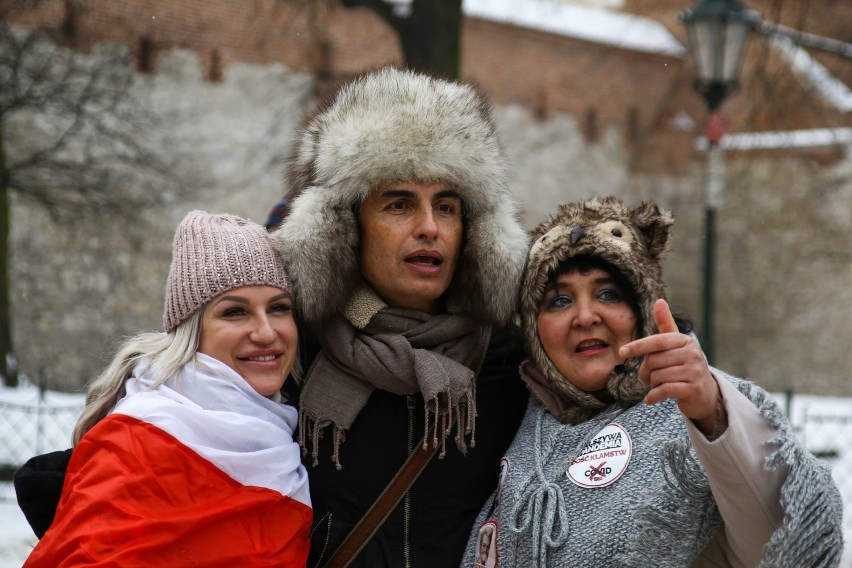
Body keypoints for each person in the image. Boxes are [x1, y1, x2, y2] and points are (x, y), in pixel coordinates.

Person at [462, 196, 844, 567]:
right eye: (559, 301)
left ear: (643, 306)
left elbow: (783, 534)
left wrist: (711, 414)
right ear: (533, 331)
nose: (585, 316)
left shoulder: (695, 413)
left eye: (608, 294)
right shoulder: (512, 422)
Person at [268, 66, 531, 567]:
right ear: (344, 227)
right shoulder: (291, 354)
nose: (429, 227)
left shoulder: (509, 363)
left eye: (447, 207)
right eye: (398, 204)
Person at [22, 211, 312, 567]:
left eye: (279, 308)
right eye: (235, 312)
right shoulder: (134, 443)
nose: (267, 332)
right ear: (191, 330)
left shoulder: (288, 439)